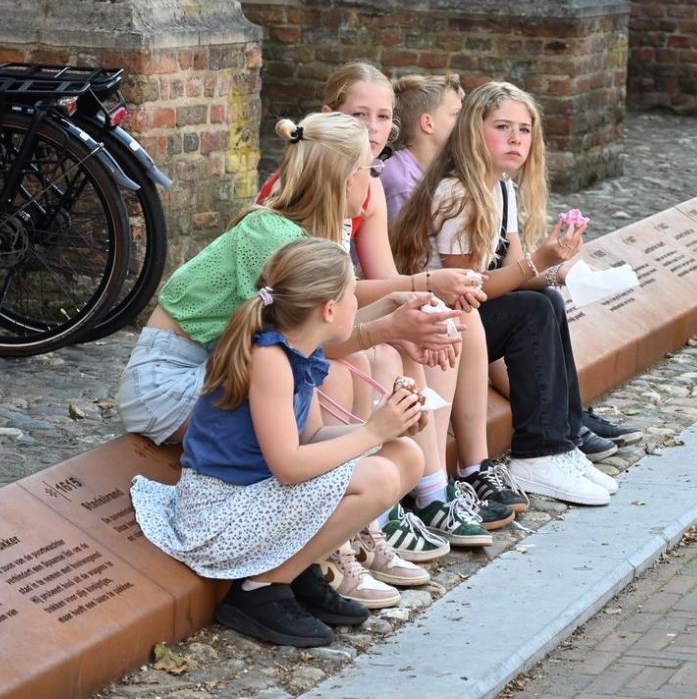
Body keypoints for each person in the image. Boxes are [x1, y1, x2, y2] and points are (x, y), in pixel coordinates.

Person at [118, 112, 459, 608]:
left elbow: (322, 331)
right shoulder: (272, 236)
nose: (375, 180)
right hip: (168, 380)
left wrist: (394, 314)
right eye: (369, 168)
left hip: (216, 369)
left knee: (350, 383)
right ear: (345, 178)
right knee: (333, 377)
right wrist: (387, 341)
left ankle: (329, 545)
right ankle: (311, 559)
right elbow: (307, 342)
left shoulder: (313, 233)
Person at [255, 64, 508, 605]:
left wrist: (414, 297)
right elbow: (295, 311)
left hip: (322, 316)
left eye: (382, 117)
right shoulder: (304, 191)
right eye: (358, 116)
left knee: (434, 319)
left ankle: (436, 486)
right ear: (327, 117)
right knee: (377, 356)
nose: (372, 130)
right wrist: (415, 292)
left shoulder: (363, 184)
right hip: (287, 329)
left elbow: (373, 279)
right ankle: (379, 511)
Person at [131, 238, 425, 648]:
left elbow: (313, 437)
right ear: (328, 309)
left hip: (259, 500)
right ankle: (261, 590)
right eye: (353, 295)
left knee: (405, 455)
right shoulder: (269, 358)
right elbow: (289, 466)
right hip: (219, 514)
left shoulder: (302, 352)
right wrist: (371, 433)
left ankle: (297, 570)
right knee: (377, 476)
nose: (357, 303)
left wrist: (390, 428)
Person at [391, 81, 620, 506]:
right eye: (503, 127)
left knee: (546, 300)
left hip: (470, 313)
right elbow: (466, 287)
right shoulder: (457, 192)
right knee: (531, 311)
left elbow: (514, 270)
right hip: (438, 317)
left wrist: (561, 269)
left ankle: (562, 442)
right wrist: (539, 261)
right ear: (473, 131)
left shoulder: (500, 187)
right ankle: (538, 454)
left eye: (524, 130)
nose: (516, 139)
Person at [381, 73, 464, 224]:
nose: (464, 122)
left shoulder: (441, 170)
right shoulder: (402, 182)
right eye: (456, 114)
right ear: (427, 123)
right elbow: (405, 240)